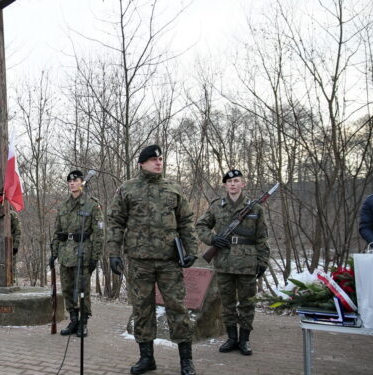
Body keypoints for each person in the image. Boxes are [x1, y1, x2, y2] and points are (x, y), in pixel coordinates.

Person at [107, 145, 197, 375]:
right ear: (142, 163)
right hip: (139, 262)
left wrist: (192, 250)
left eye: (160, 159)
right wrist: (114, 253)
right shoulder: (127, 189)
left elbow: (186, 221)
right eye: (153, 159)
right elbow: (116, 222)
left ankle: (186, 360)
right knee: (142, 310)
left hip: (169, 261)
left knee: (177, 308)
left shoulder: (173, 189)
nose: (159, 163)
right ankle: (147, 358)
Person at [195, 169, 270, 356]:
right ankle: (231, 338)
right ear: (225, 185)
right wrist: (212, 240)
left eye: (236, 181)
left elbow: (262, 237)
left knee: (247, 303)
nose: (233, 184)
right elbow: (201, 226)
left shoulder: (255, 208)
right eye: (229, 182)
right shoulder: (216, 206)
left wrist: (262, 260)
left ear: (243, 184)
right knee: (227, 302)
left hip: (247, 262)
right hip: (224, 262)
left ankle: (244, 340)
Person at [48, 170, 104, 337]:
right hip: (65, 255)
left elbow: (99, 233)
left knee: (82, 290)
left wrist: (95, 257)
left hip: (82, 254)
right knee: (67, 289)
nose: (72, 183)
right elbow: (57, 231)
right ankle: (73, 320)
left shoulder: (91, 205)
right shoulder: (63, 206)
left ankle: (83, 323)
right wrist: (54, 253)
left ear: (82, 182)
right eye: (70, 181)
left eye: (76, 180)